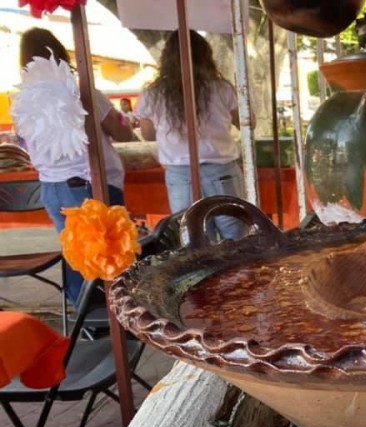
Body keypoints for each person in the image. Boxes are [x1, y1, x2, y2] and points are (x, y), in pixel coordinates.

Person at [13, 27, 134, 306]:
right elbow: (122, 132)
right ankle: (115, 318)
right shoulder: (83, 92)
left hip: (51, 187)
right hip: (87, 183)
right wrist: (120, 119)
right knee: (110, 255)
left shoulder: (22, 100)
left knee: (78, 255)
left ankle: (86, 320)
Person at [136, 29, 246, 241]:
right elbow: (247, 123)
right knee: (236, 237)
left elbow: (148, 134)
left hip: (180, 174)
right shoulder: (221, 88)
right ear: (206, 56)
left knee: (193, 239)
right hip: (221, 169)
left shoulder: (153, 94)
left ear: (166, 58)